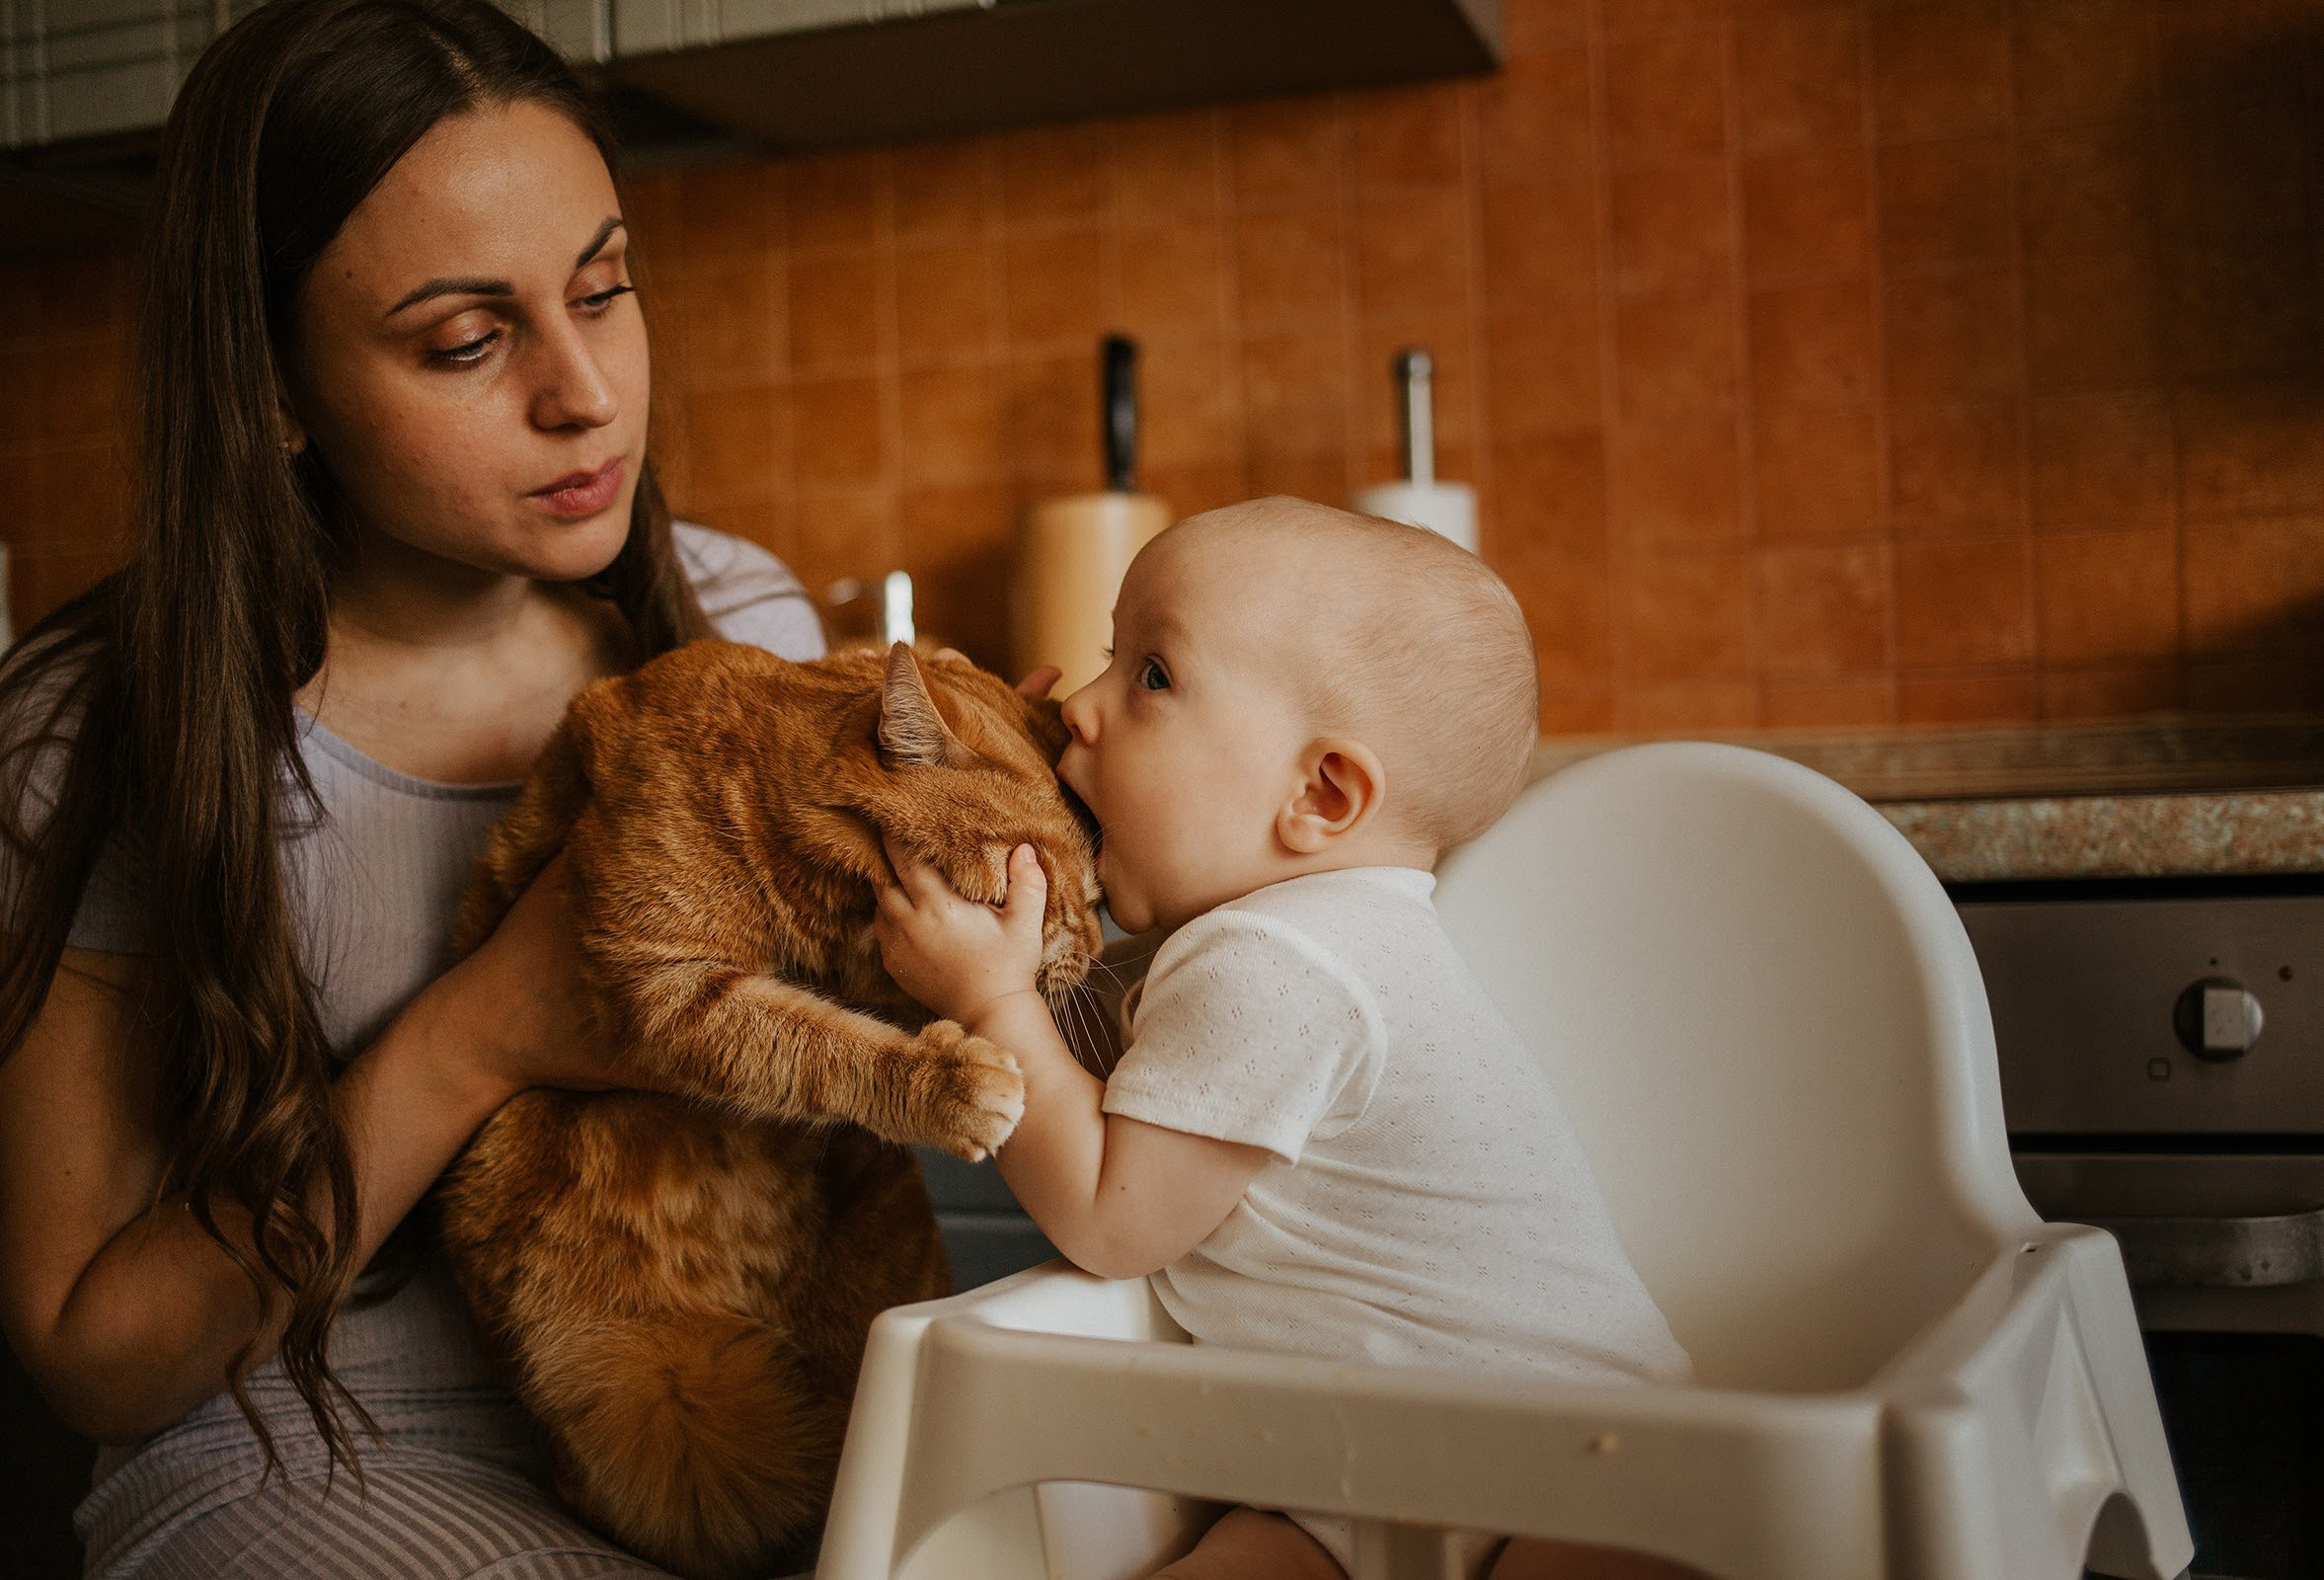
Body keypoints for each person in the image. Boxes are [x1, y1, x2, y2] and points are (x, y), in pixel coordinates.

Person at [0, 0, 826, 1573]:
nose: (585, 392)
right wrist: (482, 1029)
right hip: (300, 1457)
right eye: (466, 341)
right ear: (273, 388)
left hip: (704, 1437)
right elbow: (95, 1360)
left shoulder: (738, 624)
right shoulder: (102, 726)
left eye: (605, 289)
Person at [872, 497, 1700, 1580]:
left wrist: (993, 1003)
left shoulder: (1277, 959)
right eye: (1109, 660)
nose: (1079, 705)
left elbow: (1114, 1221)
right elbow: (1118, 1086)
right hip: (1344, 1481)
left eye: (1151, 675)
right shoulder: (1301, 938)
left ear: (1319, 793)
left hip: (1574, 1467)